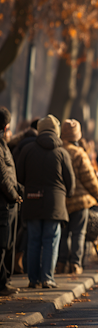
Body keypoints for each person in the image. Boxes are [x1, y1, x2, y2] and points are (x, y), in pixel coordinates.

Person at [17, 114, 75, 288]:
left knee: (34, 240)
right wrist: (68, 194)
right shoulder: (62, 152)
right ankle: (47, 278)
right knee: (51, 240)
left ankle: (33, 279)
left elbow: (19, 176)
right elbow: (70, 181)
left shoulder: (27, 150)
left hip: (32, 201)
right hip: (54, 204)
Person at [57, 120, 98, 274]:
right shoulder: (79, 154)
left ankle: (61, 263)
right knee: (78, 233)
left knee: (63, 234)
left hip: (61, 200)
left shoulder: (58, 150)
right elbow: (89, 178)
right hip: (80, 201)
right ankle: (75, 264)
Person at [0, 107, 23, 296]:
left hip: (8, 201)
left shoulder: (3, 144)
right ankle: (1, 283)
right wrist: (13, 194)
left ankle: (5, 280)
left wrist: (19, 188)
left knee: (7, 242)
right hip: (4, 203)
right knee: (3, 243)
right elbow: (2, 175)